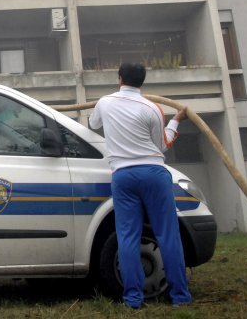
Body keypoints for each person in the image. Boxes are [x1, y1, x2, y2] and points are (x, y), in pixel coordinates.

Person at [88, 63, 192, 310]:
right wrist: (176, 120)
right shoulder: (153, 108)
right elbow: (163, 145)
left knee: (127, 236)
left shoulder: (104, 102)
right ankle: (179, 296)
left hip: (123, 175)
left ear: (120, 78)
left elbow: (93, 124)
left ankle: (133, 299)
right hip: (154, 173)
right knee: (168, 234)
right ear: (142, 82)